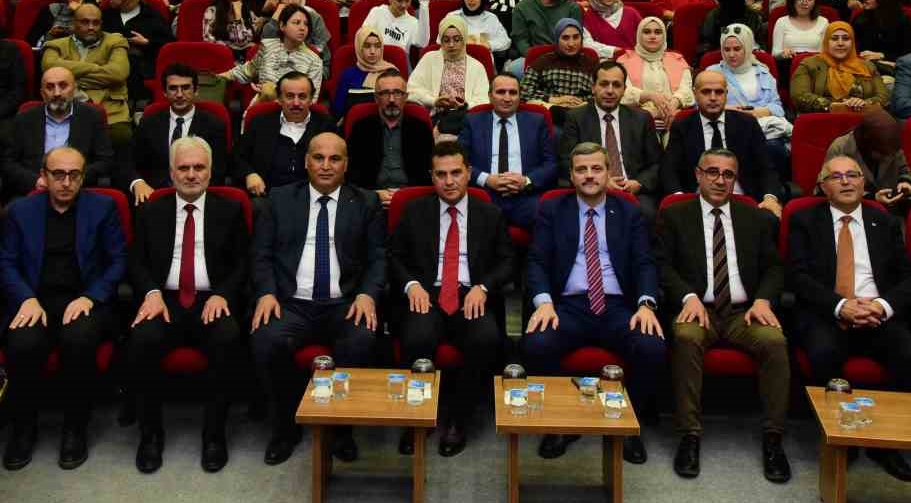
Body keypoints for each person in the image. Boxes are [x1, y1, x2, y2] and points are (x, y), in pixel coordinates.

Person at [787, 156, 911, 481]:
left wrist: (881, 306)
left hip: (877, 313)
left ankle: (886, 443)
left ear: (865, 184)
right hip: (828, 313)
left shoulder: (886, 223)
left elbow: (910, 279)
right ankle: (843, 440)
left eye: (853, 175)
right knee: (823, 353)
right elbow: (797, 276)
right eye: (836, 177)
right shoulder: (805, 220)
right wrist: (841, 307)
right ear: (823, 186)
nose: (847, 181)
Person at [524, 142, 664, 465]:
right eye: (582, 170)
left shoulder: (629, 210)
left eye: (596, 169)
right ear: (571, 175)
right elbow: (537, 261)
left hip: (617, 306)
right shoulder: (552, 209)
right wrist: (544, 303)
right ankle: (558, 424)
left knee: (651, 346)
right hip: (569, 305)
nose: (589, 176)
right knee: (536, 343)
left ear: (608, 173)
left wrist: (645, 304)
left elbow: (644, 262)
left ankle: (629, 426)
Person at [250, 132, 385, 466]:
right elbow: (261, 255)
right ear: (307, 161)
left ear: (346, 164)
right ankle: (285, 428)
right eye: (318, 158)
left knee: (362, 339)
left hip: (344, 302)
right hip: (291, 302)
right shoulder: (279, 199)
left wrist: (368, 294)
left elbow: (379, 258)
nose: (326, 166)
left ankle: (342, 430)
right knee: (266, 339)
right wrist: (266, 292)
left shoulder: (365, 202)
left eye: (334, 159)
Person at [657, 148, 790, 482]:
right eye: (712, 172)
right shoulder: (675, 215)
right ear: (698, 175)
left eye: (727, 174)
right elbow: (661, 265)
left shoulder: (755, 217)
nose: (719, 180)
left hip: (743, 313)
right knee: (686, 338)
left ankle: (774, 438)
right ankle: (689, 435)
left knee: (774, 341)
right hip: (698, 310)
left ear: (736, 179)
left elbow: (775, 267)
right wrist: (687, 296)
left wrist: (763, 300)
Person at [127, 135, 249, 474]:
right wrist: (150, 293)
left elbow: (243, 262)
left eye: (199, 167)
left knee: (226, 337)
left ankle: (214, 435)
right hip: (163, 299)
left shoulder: (231, 209)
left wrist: (224, 293)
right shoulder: (151, 209)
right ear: (171, 172)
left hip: (212, 298)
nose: (191, 174)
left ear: (211, 172)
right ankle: (150, 435)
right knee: (143, 339)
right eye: (184, 168)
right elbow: (135, 261)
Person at [0, 146, 126, 471]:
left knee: (78, 341)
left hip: (83, 299)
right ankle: (24, 428)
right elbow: (6, 263)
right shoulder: (20, 211)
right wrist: (25, 298)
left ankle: (75, 427)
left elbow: (117, 261)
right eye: (58, 174)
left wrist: (90, 297)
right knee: (22, 343)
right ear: (43, 176)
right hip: (35, 299)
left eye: (74, 175)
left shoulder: (104, 207)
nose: (66, 182)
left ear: (83, 177)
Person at [390, 143, 510, 457]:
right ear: (432, 177)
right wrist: (411, 284)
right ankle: (417, 419)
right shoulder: (415, 210)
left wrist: (483, 287)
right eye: (441, 174)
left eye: (456, 173)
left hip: (471, 293)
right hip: (427, 294)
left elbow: (507, 262)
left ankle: (458, 419)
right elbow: (395, 256)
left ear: (468, 173)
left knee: (485, 338)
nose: (449, 181)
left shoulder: (490, 213)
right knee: (417, 338)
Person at [557, 61, 663, 223]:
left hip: (633, 190)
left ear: (624, 90)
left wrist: (639, 183)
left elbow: (656, 163)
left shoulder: (641, 118)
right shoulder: (576, 117)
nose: (610, 91)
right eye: (604, 84)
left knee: (646, 213)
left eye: (616, 85)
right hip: (590, 188)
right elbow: (566, 162)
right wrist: (602, 181)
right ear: (594, 87)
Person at [662, 71, 783, 211]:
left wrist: (770, 198)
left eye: (719, 92)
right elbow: (668, 169)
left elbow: (766, 168)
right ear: (695, 94)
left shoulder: (747, 124)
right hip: (697, 204)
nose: (713, 98)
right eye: (706, 92)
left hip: (742, 201)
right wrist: (679, 198)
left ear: (726, 94)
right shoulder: (682, 126)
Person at [458, 72, 557, 230]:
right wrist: (486, 179)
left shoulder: (536, 121)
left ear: (520, 96)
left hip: (526, 197)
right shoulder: (473, 121)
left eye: (513, 92)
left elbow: (551, 164)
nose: (507, 98)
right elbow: (459, 161)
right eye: (500, 92)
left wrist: (526, 181)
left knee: (547, 217)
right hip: (485, 195)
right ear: (490, 96)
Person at [3, 66, 116, 197]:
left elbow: (105, 160)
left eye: (63, 86)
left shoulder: (92, 116)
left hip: (78, 191)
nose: (57, 93)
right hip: (35, 191)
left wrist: (75, 178)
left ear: (74, 89)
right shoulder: (24, 118)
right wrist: (35, 181)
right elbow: (9, 163)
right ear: (42, 93)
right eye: (50, 87)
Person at [130, 64, 230, 200]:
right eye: (173, 88)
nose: (179, 94)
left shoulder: (214, 124)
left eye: (185, 88)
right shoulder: (149, 122)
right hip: (155, 195)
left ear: (196, 90)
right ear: (164, 92)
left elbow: (218, 170)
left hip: (197, 194)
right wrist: (138, 182)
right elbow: (128, 160)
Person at [41, 3, 132, 148]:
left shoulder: (115, 42)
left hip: (111, 113)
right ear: (73, 24)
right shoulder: (56, 45)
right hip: (65, 110)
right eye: (85, 22)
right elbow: (49, 68)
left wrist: (72, 78)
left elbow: (118, 73)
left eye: (96, 23)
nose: (91, 27)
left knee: (121, 136)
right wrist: (97, 68)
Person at [234, 72, 333, 197]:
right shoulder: (259, 123)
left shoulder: (326, 125)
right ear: (280, 98)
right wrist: (249, 174)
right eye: (290, 96)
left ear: (311, 98)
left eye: (302, 96)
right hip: (266, 196)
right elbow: (238, 157)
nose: (296, 103)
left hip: (312, 197)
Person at [345, 70, 435, 206]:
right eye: (385, 93)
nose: (392, 99)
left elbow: (429, 174)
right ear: (376, 98)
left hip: (412, 201)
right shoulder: (361, 128)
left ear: (406, 97)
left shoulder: (420, 129)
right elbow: (351, 175)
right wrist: (373, 195)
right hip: (369, 201)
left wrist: (404, 195)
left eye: (397, 93)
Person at [707, 24, 792, 166]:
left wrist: (755, 112)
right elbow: (701, 106)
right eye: (726, 49)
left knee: (774, 148)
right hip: (727, 130)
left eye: (737, 49)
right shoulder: (712, 73)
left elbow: (778, 109)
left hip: (765, 132)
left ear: (747, 47)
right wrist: (730, 110)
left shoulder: (764, 72)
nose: (731, 54)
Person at [790, 21, 889, 113]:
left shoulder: (867, 66)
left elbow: (884, 96)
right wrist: (831, 106)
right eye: (834, 38)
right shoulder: (809, 64)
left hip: (862, 117)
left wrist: (864, 103)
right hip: (823, 118)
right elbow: (799, 95)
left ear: (852, 42)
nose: (840, 43)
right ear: (826, 42)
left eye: (846, 38)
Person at [618, 16, 694, 132]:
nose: (652, 36)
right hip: (637, 122)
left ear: (664, 36)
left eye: (658, 32)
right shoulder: (624, 61)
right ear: (639, 35)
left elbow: (686, 91)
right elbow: (622, 92)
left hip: (673, 119)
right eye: (647, 32)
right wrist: (650, 96)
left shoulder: (678, 60)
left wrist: (673, 104)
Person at [508, 0, 583, 69]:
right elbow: (521, 40)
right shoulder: (522, 7)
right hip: (535, 57)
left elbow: (576, 40)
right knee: (514, 68)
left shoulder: (573, 8)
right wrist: (535, 58)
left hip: (565, 57)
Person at [518, 17, 598, 115]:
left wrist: (581, 102)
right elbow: (524, 91)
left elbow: (601, 93)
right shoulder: (543, 61)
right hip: (551, 113)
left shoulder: (590, 63)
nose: (571, 44)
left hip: (582, 113)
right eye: (565, 38)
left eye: (576, 37)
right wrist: (553, 99)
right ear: (557, 40)